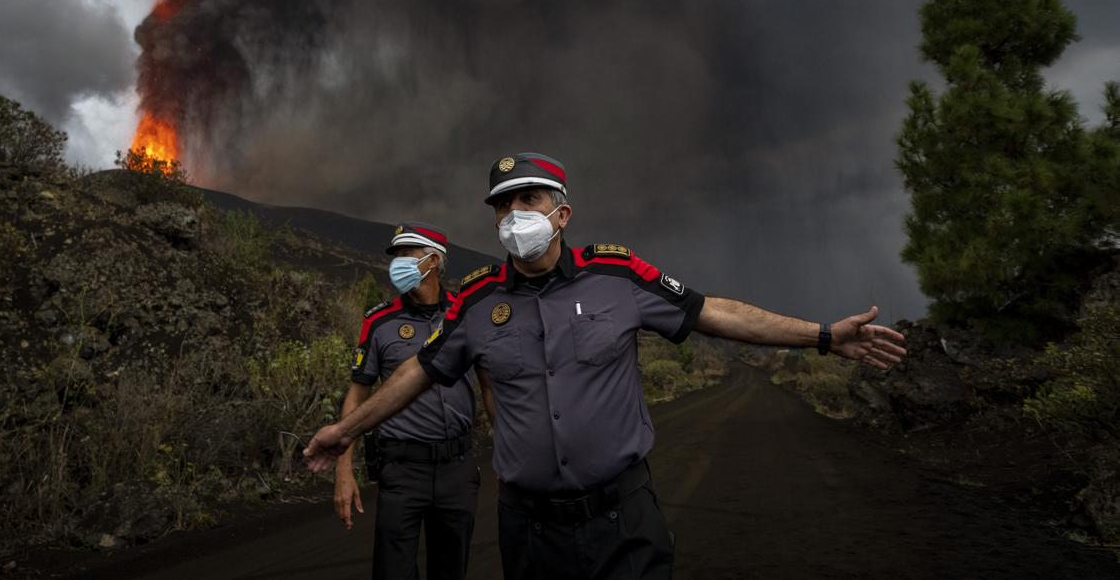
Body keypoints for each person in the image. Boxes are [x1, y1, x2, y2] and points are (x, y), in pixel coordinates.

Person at [307, 154, 907, 580]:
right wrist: (344, 433)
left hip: (623, 519)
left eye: (529, 200)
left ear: (562, 214)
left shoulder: (617, 276)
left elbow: (712, 312)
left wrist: (823, 336)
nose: (514, 214)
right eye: (503, 205)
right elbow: (419, 372)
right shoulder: (475, 299)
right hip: (529, 529)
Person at [334, 221, 494, 580]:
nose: (397, 262)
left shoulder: (467, 316)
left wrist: (513, 452)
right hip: (402, 470)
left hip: (457, 468)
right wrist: (343, 471)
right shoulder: (379, 322)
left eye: (408, 254)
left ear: (434, 261)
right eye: (395, 255)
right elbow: (357, 394)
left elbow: (489, 387)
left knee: (450, 570)